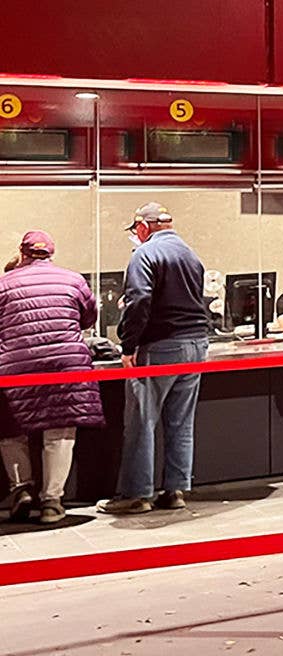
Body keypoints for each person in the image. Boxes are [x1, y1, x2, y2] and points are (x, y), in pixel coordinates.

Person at [100, 203, 209, 515]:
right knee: (181, 422)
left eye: (135, 231)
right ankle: (175, 490)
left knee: (142, 421)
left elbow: (139, 299)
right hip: (196, 344)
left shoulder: (144, 255)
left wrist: (128, 345)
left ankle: (137, 494)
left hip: (160, 346)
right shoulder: (190, 253)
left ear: (143, 228)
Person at [0, 231, 102, 525]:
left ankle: (21, 489)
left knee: (11, 429)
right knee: (59, 433)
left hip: (16, 366)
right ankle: (52, 502)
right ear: (51, 254)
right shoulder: (73, 280)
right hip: (65, 365)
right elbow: (88, 318)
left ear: (22, 253)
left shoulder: (4, 284)